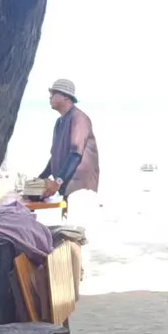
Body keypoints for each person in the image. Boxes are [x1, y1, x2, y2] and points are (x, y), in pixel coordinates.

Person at [38, 78, 100, 242]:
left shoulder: (79, 119)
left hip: (80, 189)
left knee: (76, 239)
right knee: (67, 240)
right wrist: (39, 179)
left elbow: (75, 154)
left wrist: (57, 181)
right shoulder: (60, 122)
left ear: (65, 96)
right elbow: (54, 157)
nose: (50, 97)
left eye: (53, 93)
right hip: (66, 190)